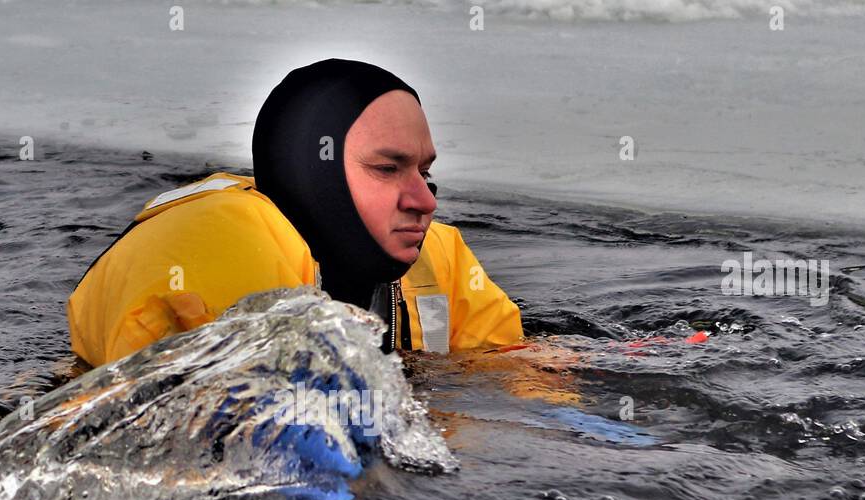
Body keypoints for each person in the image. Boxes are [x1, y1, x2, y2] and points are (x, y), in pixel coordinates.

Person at [66, 58, 524, 368]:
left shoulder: (437, 260)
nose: (426, 200)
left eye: (424, 172)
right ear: (312, 173)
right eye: (387, 169)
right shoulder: (233, 249)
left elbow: (524, 381)